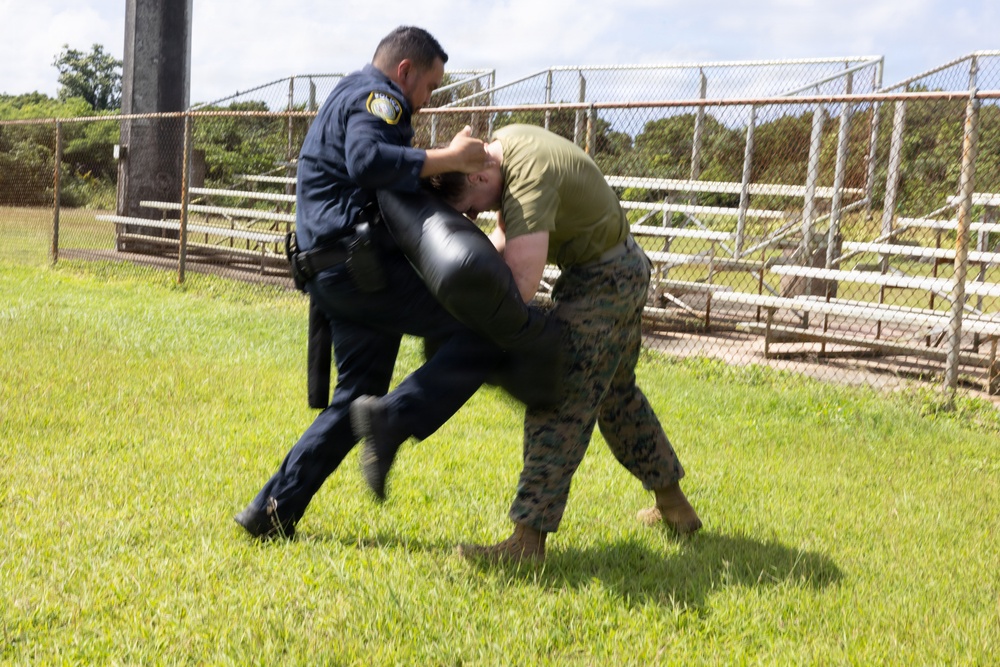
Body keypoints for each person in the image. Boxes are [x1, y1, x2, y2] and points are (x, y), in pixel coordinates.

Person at [235, 26, 508, 540]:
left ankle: (271, 511)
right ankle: (394, 418)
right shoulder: (382, 98)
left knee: (356, 397)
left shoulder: (348, 92)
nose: (427, 100)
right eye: (429, 86)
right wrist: (452, 159)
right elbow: (367, 161)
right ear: (405, 71)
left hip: (337, 271)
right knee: (487, 326)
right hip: (360, 271)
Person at [426, 123, 703, 562]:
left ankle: (527, 542)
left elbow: (519, 286)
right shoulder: (508, 146)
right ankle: (675, 507)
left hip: (604, 282)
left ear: (478, 175)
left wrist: (465, 322)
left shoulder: (528, 181)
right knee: (616, 396)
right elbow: (505, 237)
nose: (474, 216)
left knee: (559, 398)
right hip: (620, 268)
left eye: (470, 208)